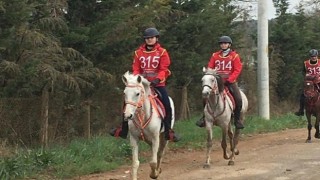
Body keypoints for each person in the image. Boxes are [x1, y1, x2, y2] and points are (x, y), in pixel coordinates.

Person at [109, 27, 181, 142]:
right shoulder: (138, 53)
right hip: (141, 84)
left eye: (151, 38)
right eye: (147, 38)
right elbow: (136, 69)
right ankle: (123, 129)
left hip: (157, 84)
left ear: (156, 38)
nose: (149, 40)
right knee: (127, 102)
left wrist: (158, 79)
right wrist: (137, 80)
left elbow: (164, 69)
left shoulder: (162, 52)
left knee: (167, 104)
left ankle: (168, 132)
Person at [196, 35, 244, 129]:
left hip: (229, 82)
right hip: (216, 81)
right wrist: (210, 76)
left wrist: (230, 80)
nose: (223, 45)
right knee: (205, 97)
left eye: (225, 43)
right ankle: (204, 117)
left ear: (229, 45)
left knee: (238, 99)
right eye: (221, 43)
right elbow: (210, 67)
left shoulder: (234, 56)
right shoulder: (215, 55)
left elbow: (237, 70)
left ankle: (237, 120)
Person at [294, 49, 320, 116]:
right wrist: (306, 76)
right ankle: (301, 110)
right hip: (310, 82)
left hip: (319, 81)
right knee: (303, 94)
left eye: (315, 56)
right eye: (312, 56)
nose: (313, 57)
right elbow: (303, 72)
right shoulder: (306, 63)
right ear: (310, 56)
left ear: (317, 56)